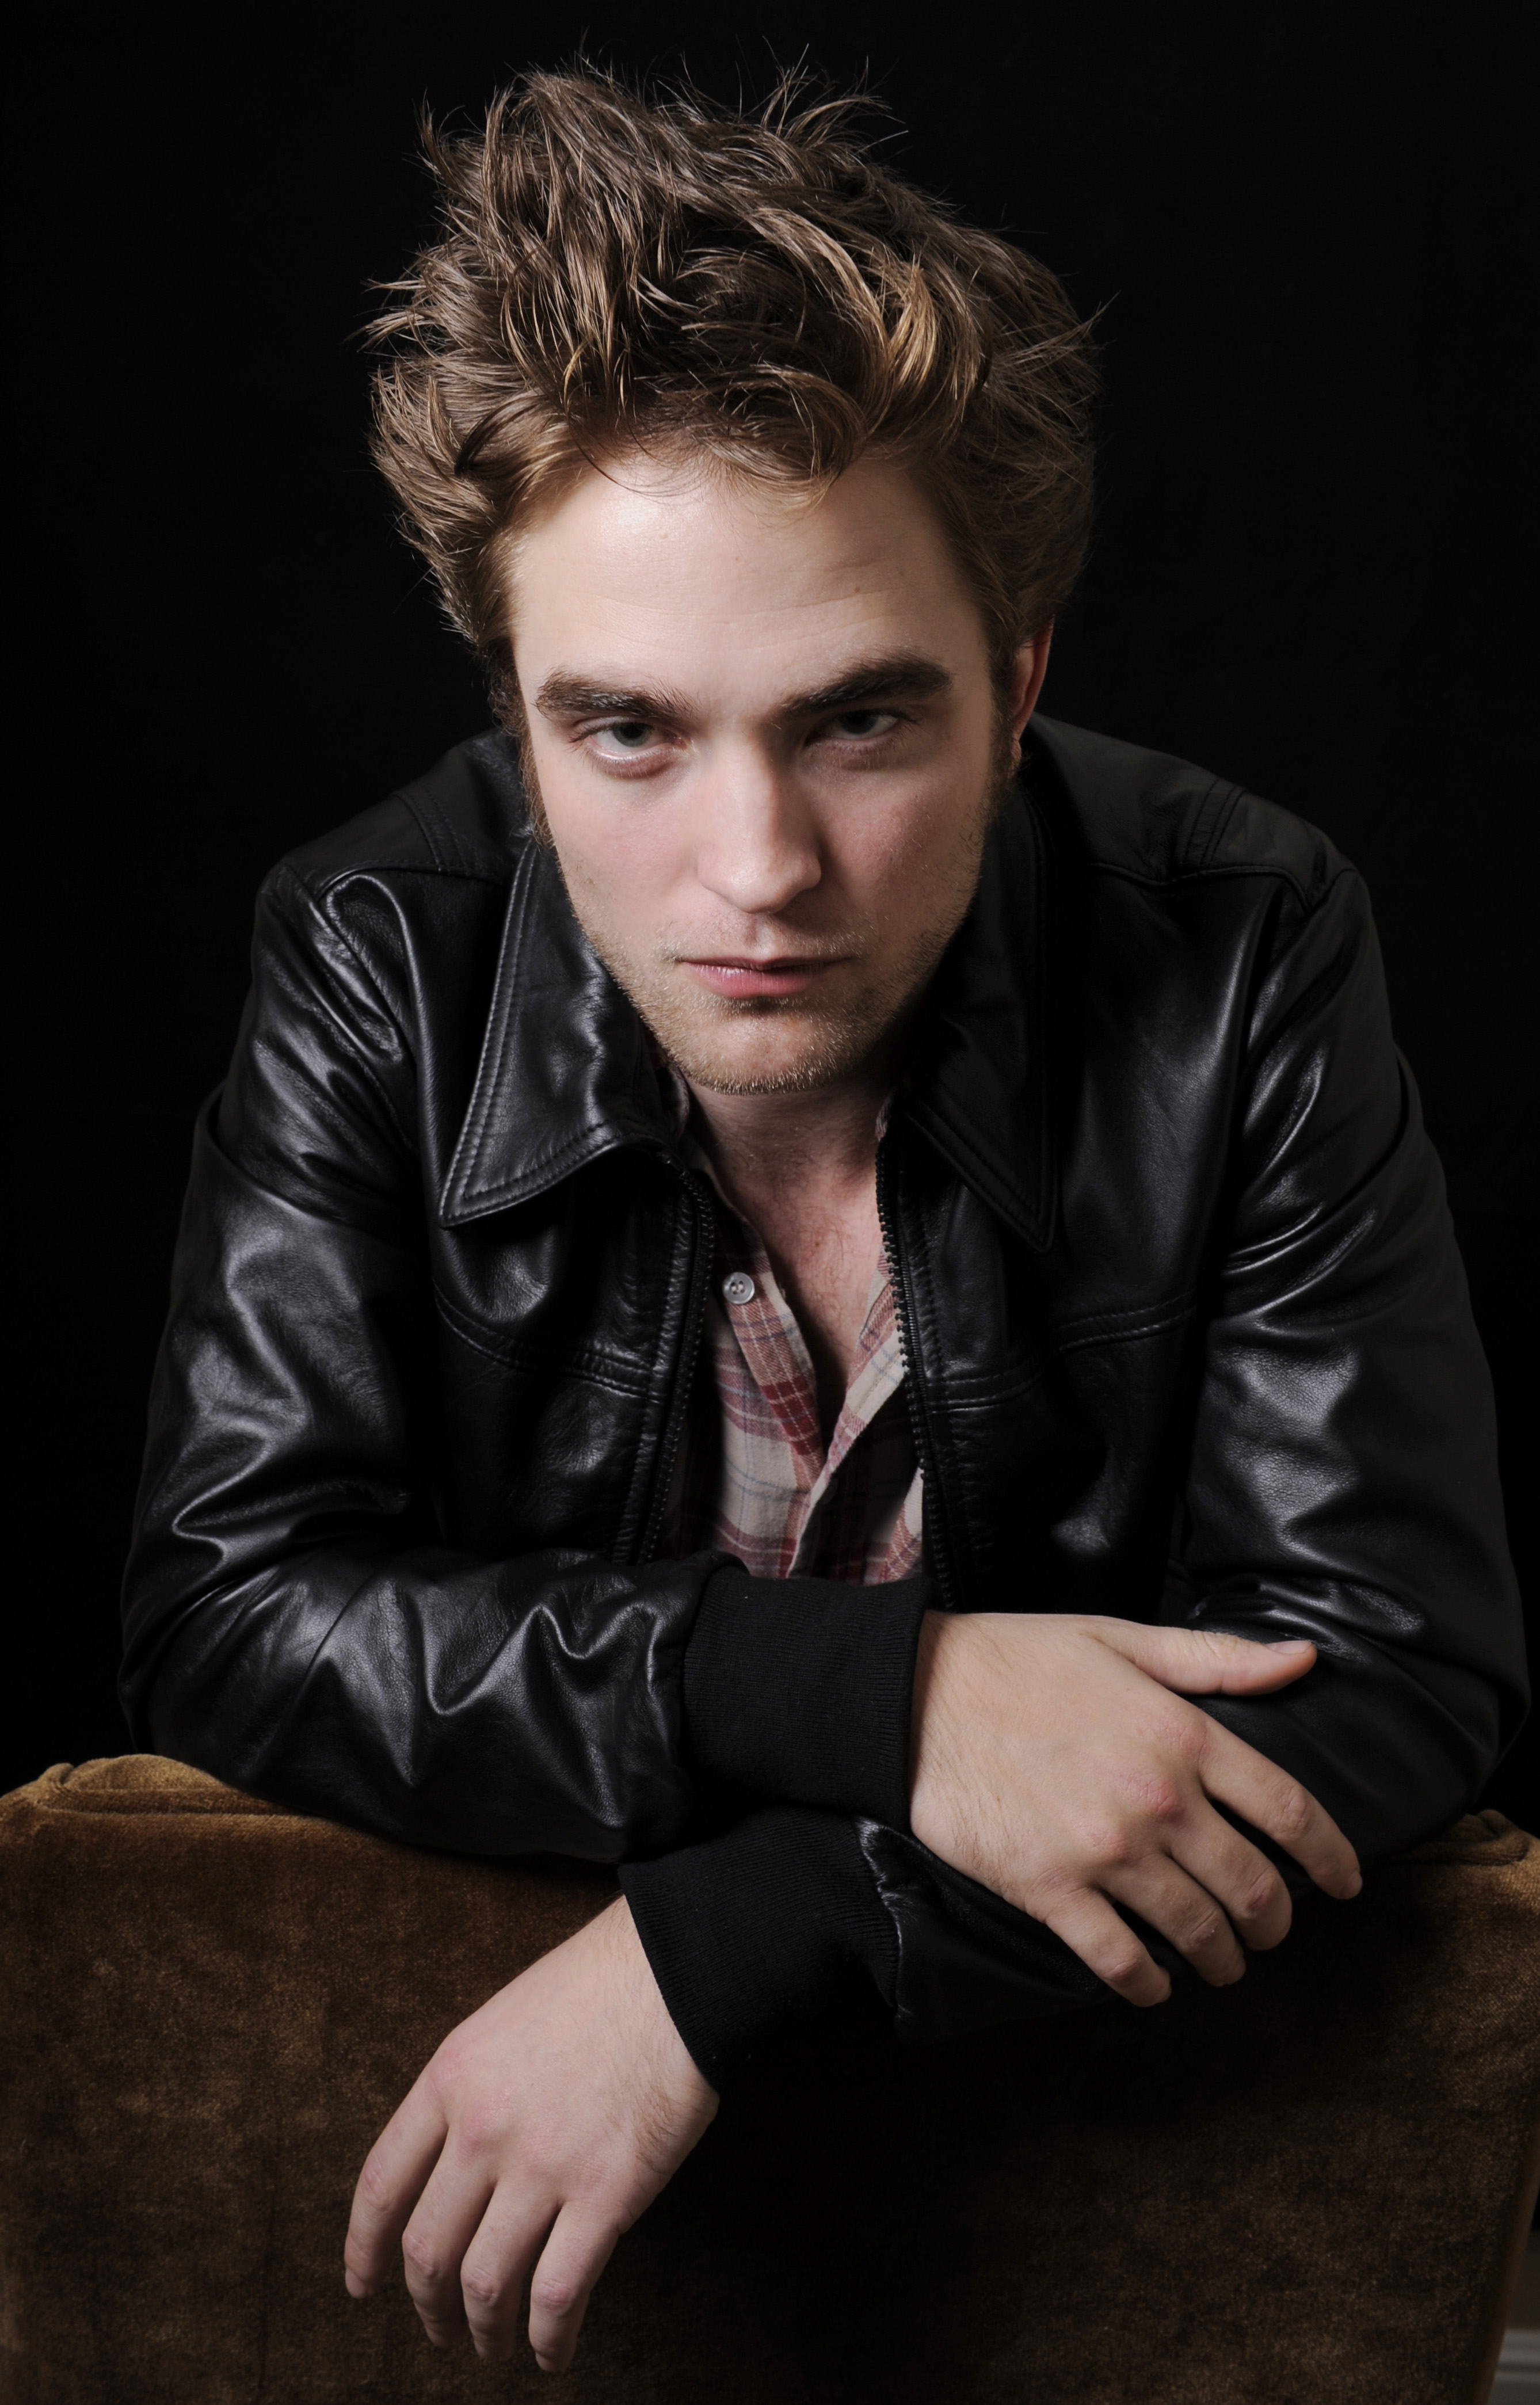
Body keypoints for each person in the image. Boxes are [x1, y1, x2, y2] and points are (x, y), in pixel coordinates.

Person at [119, 66, 1524, 2377]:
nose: (757, 868)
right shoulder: (380, 951)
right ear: (514, 713)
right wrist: (893, 1696)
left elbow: (1388, 1668)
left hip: (1095, 2225)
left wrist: (731, 1949)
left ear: (1020, 683)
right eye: (629, 733)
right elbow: (234, 1611)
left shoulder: (1244, 942)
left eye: (862, 722)